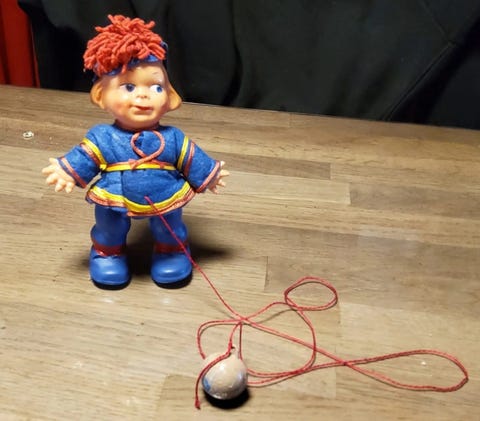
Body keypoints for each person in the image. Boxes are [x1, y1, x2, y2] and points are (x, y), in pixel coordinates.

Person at [42, 15, 228, 289]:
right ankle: (107, 254)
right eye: (128, 87)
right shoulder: (103, 136)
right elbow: (85, 157)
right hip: (114, 195)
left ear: (170, 98)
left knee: (169, 226)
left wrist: (209, 175)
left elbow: (191, 157)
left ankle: (172, 251)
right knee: (109, 227)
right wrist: (66, 171)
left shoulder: (172, 137)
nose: (143, 96)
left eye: (156, 87)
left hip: (165, 193)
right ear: (100, 95)